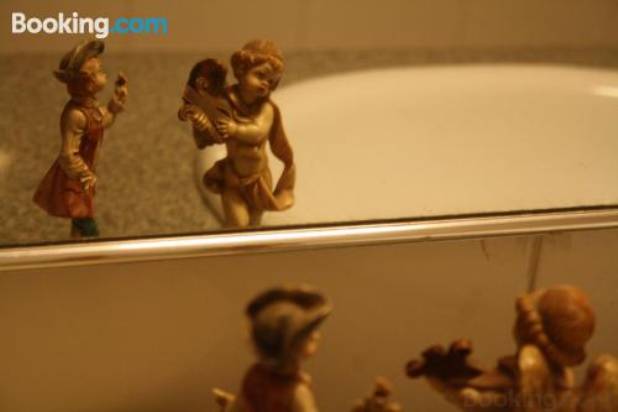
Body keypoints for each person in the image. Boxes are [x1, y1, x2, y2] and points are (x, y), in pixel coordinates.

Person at [33, 39, 128, 238]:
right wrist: (85, 175)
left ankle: (76, 246)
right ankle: (91, 248)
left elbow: (101, 121)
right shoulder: (75, 115)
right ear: (88, 82)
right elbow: (68, 154)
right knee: (87, 223)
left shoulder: (89, 109)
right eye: (100, 72)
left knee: (79, 221)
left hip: (84, 177)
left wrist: (113, 106)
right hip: (74, 179)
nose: (105, 74)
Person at [203, 39, 295, 227]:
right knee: (238, 224)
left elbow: (258, 132)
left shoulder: (266, 109)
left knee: (253, 225)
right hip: (233, 179)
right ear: (241, 70)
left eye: (271, 81)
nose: (265, 84)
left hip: (258, 181)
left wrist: (235, 129)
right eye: (260, 75)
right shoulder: (226, 102)